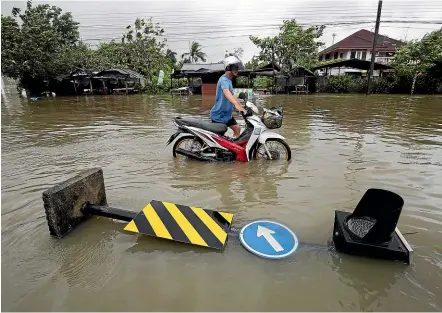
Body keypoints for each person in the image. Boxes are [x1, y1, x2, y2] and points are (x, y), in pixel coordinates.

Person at [210, 55, 247, 138]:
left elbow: (232, 96)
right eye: (234, 68)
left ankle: (233, 149)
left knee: (237, 128)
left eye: (237, 68)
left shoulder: (229, 81)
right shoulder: (223, 80)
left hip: (227, 115)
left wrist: (242, 108)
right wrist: (236, 104)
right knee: (219, 139)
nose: (236, 70)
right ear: (228, 67)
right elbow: (227, 93)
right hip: (219, 115)